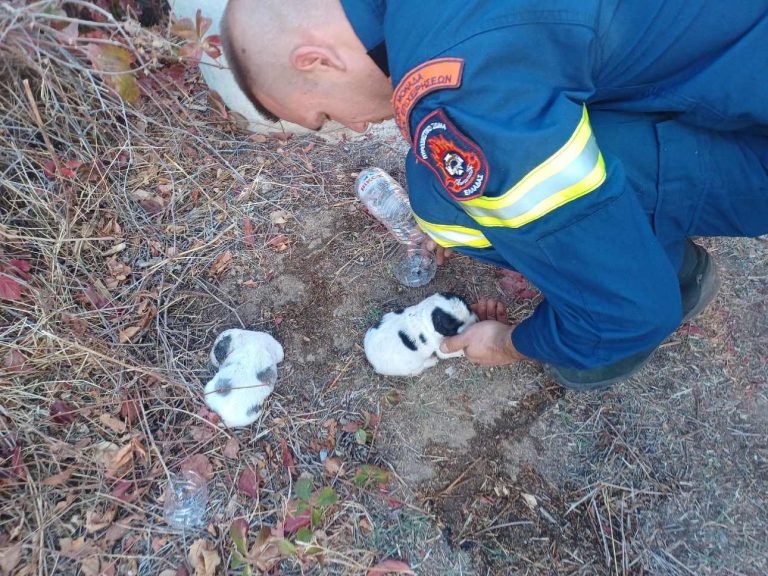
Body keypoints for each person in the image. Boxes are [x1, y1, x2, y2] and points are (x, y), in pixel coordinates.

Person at [221, 0, 768, 390]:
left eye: (324, 115)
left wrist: (509, 343)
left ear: (316, 60)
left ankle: (670, 274)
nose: (356, 128)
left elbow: (632, 312)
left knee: (442, 200)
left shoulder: (451, 89)